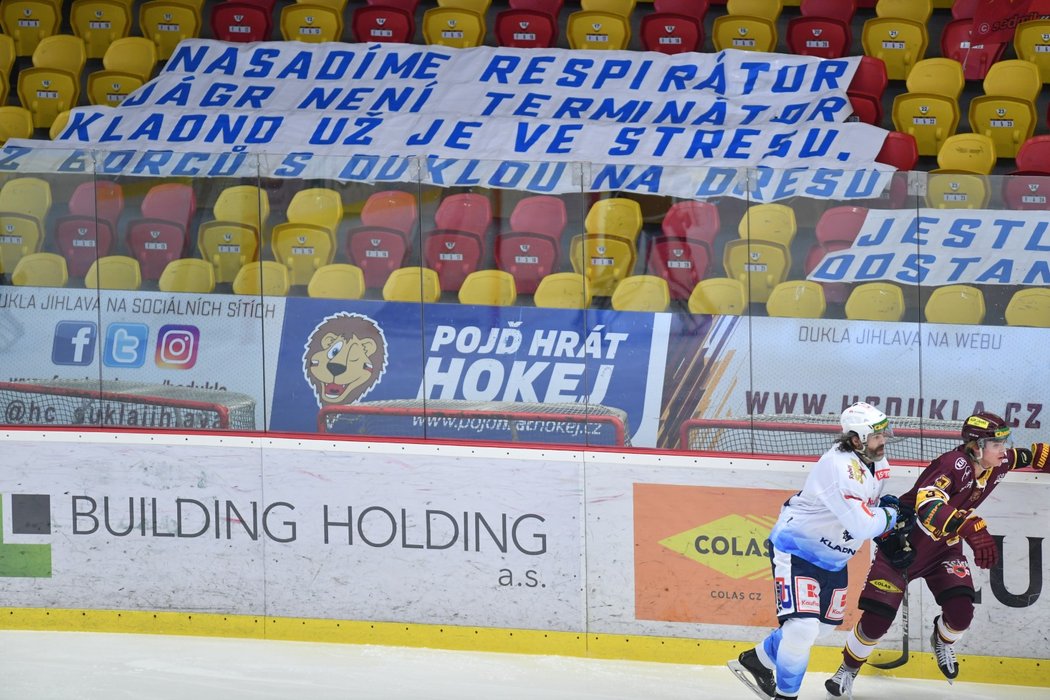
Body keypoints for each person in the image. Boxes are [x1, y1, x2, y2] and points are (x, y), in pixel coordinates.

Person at [825, 412, 1050, 698]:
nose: (1003, 449)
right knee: (876, 621)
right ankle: (848, 668)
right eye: (996, 443)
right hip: (903, 549)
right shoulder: (952, 465)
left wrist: (1040, 455)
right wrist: (968, 526)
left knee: (961, 614)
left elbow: (1027, 456)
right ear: (976, 446)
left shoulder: (999, 461)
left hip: (944, 550)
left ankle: (942, 640)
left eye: (1004, 442)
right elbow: (928, 506)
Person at [728, 402, 909, 700]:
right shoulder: (839, 467)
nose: (883, 441)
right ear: (856, 439)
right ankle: (787, 697)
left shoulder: (876, 461)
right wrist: (890, 516)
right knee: (801, 629)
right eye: (877, 436)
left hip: (836, 558)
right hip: (797, 548)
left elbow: (865, 512)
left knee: (821, 630)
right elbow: (863, 525)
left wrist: (885, 526)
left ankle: (757, 661)